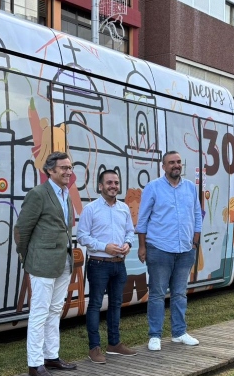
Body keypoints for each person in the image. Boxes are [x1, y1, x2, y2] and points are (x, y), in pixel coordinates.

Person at [14, 152, 78, 376]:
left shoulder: (66, 195)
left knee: (54, 311)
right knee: (40, 313)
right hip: (41, 263)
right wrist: (27, 258)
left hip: (63, 262)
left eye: (70, 168)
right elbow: (21, 229)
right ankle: (35, 363)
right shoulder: (38, 194)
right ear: (50, 170)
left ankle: (51, 356)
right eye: (64, 168)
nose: (68, 172)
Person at [136, 151, 202, 351]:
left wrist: (195, 242)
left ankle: (179, 333)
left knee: (180, 293)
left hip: (185, 250)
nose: (176, 165)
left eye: (178, 162)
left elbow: (197, 215)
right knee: (156, 294)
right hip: (159, 248)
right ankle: (154, 335)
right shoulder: (153, 188)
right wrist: (142, 246)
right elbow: (142, 219)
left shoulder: (190, 187)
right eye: (171, 162)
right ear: (163, 166)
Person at [77, 169, 138, 364]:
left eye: (116, 183)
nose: (113, 186)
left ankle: (114, 344)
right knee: (95, 305)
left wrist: (128, 243)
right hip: (98, 264)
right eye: (109, 183)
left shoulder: (124, 208)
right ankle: (94, 348)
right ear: (100, 186)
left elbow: (130, 231)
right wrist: (105, 247)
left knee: (115, 304)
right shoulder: (91, 209)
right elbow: (82, 236)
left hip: (119, 265)